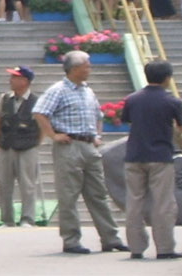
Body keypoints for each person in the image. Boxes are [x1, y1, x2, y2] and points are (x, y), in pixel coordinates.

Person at [32, 50, 128, 254]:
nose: (89, 69)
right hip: (69, 145)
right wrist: (53, 135)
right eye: (87, 65)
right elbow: (39, 112)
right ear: (75, 68)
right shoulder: (58, 90)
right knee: (68, 195)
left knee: (99, 194)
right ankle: (71, 240)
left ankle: (110, 238)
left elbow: (98, 115)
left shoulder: (87, 90)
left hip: (88, 146)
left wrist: (96, 135)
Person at [121, 60, 182, 260]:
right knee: (163, 203)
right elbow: (181, 126)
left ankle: (136, 247)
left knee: (134, 201)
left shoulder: (132, 99)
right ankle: (165, 247)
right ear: (167, 78)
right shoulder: (172, 101)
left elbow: (127, 119)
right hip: (160, 156)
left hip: (134, 155)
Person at [0, 66, 41, 228]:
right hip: (6, 146)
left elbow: (42, 126)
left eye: (15, 77)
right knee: (4, 183)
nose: (11, 80)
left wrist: (35, 144)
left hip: (28, 147)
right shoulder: (5, 98)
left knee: (27, 184)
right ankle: (7, 219)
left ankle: (27, 218)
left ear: (25, 81)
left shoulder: (36, 101)